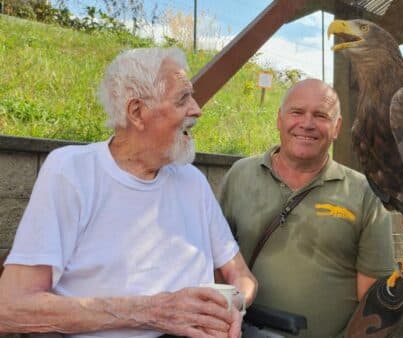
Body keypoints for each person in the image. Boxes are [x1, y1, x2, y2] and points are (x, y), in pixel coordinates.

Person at [0, 47, 257, 338]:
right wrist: (155, 312)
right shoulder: (72, 170)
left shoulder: (192, 180)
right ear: (137, 112)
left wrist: (235, 305)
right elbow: (11, 308)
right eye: (183, 98)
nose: (197, 109)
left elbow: (241, 276)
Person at [219, 79, 403, 338]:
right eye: (297, 112)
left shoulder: (363, 192)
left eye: (320, 115)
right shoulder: (240, 176)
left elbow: (371, 295)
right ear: (279, 119)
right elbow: (218, 266)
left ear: (337, 127)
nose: (307, 124)